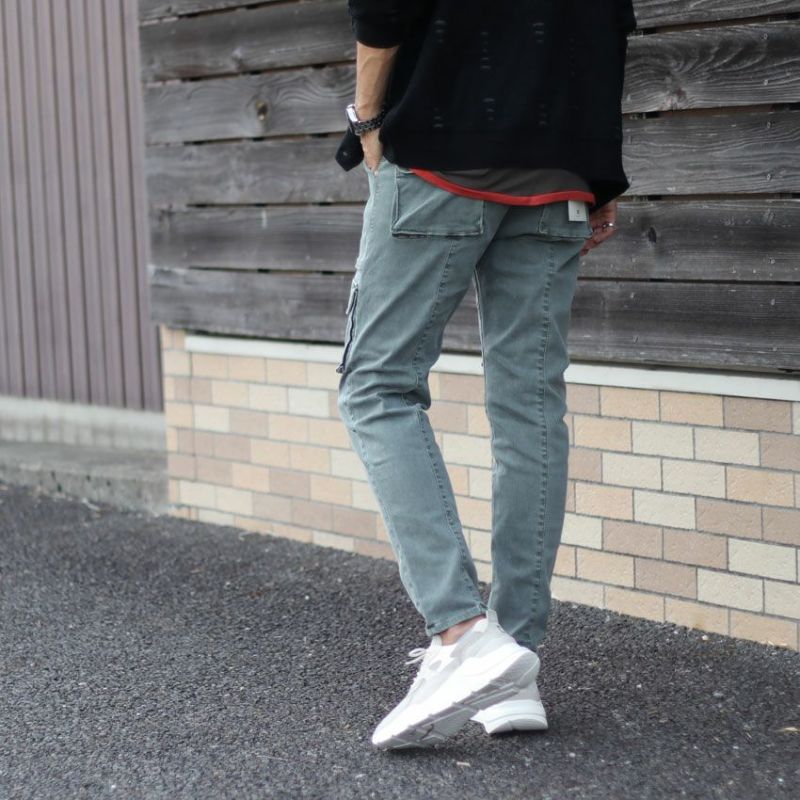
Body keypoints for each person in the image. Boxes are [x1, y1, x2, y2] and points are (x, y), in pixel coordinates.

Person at [334, 0, 637, 749]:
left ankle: (465, 633)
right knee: (530, 407)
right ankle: (514, 662)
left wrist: (369, 122)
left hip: (443, 152)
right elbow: (606, 28)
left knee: (376, 387)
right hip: (559, 169)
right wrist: (598, 177)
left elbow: (383, 9)